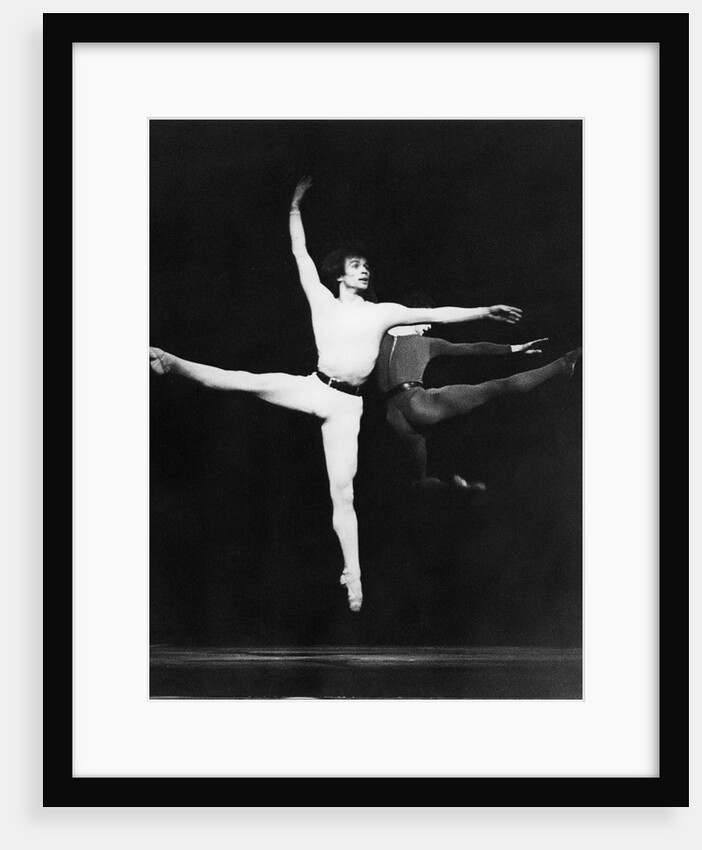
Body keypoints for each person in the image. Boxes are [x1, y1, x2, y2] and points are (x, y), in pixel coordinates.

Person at [150, 177, 523, 612]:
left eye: (367, 265)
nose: (364, 270)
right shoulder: (322, 301)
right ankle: (170, 361)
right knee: (243, 379)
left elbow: (437, 313)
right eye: (356, 264)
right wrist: (294, 209)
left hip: (346, 407)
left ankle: (354, 577)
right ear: (341, 272)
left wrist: (484, 310)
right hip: (314, 388)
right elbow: (300, 254)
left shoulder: (384, 314)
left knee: (342, 492)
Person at [374, 297, 581, 493]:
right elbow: (473, 348)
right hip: (418, 403)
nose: (429, 326)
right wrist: (515, 348)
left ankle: (453, 487)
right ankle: (562, 364)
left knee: (419, 477)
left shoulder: (379, 338)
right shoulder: (427, 343)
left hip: (393, 416)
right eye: (428, 319)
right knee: (496, 387)